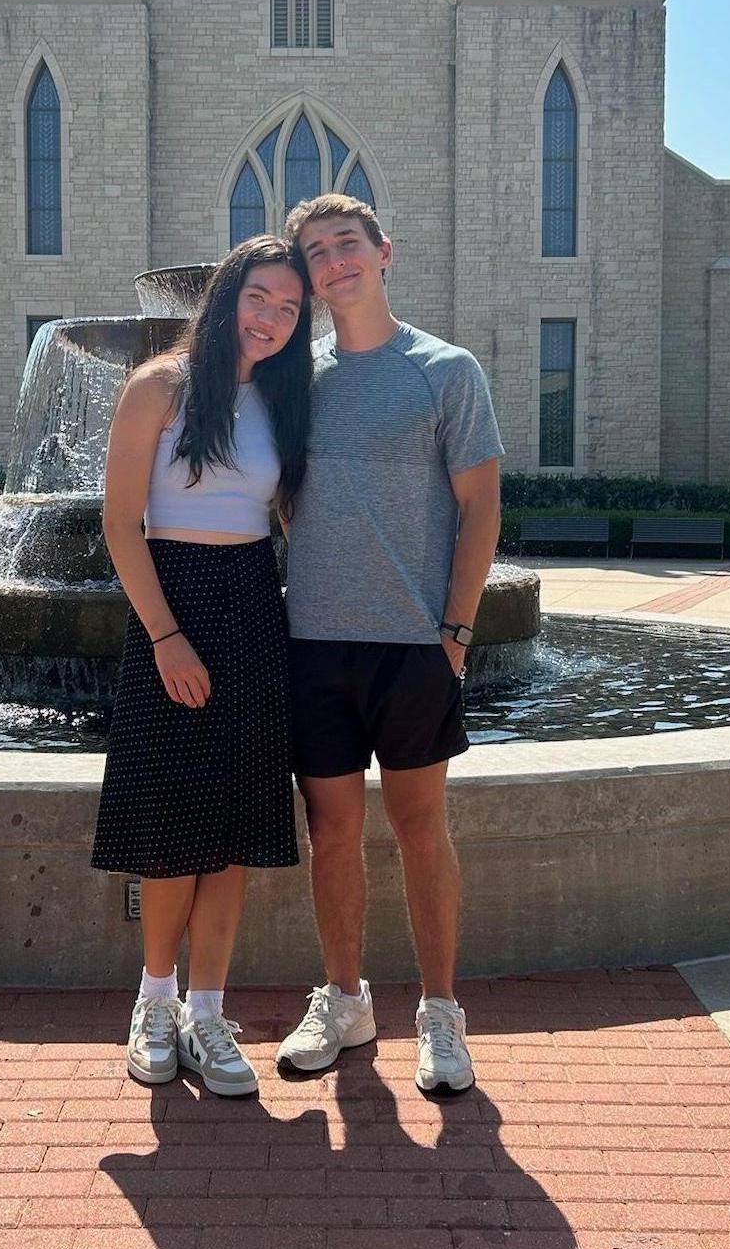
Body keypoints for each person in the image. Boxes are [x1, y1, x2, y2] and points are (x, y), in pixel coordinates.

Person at [275, 193, 503, 1096]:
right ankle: (343, 998)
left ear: (383, 253)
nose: (334, 262)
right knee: (331, 832)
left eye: (347, 244)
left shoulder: (445, 371)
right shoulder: (301, 379)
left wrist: (453, 633)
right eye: (317, 253)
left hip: (414, 645)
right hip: (315, 641)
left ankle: (441, 1014)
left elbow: (481, 507)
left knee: (419, 831)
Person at [91, 235, 313, 1097]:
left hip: (255, 602)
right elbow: (120, 523)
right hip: (171, 600)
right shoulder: (159, 387)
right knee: (172, 816)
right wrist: (164, 636)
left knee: (237, 824)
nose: (271, 318)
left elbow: (295, 520)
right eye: (260, 298)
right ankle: (154, 1002)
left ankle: (208, 1012)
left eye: (289, 309)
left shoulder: (284, 402)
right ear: (226, 297)